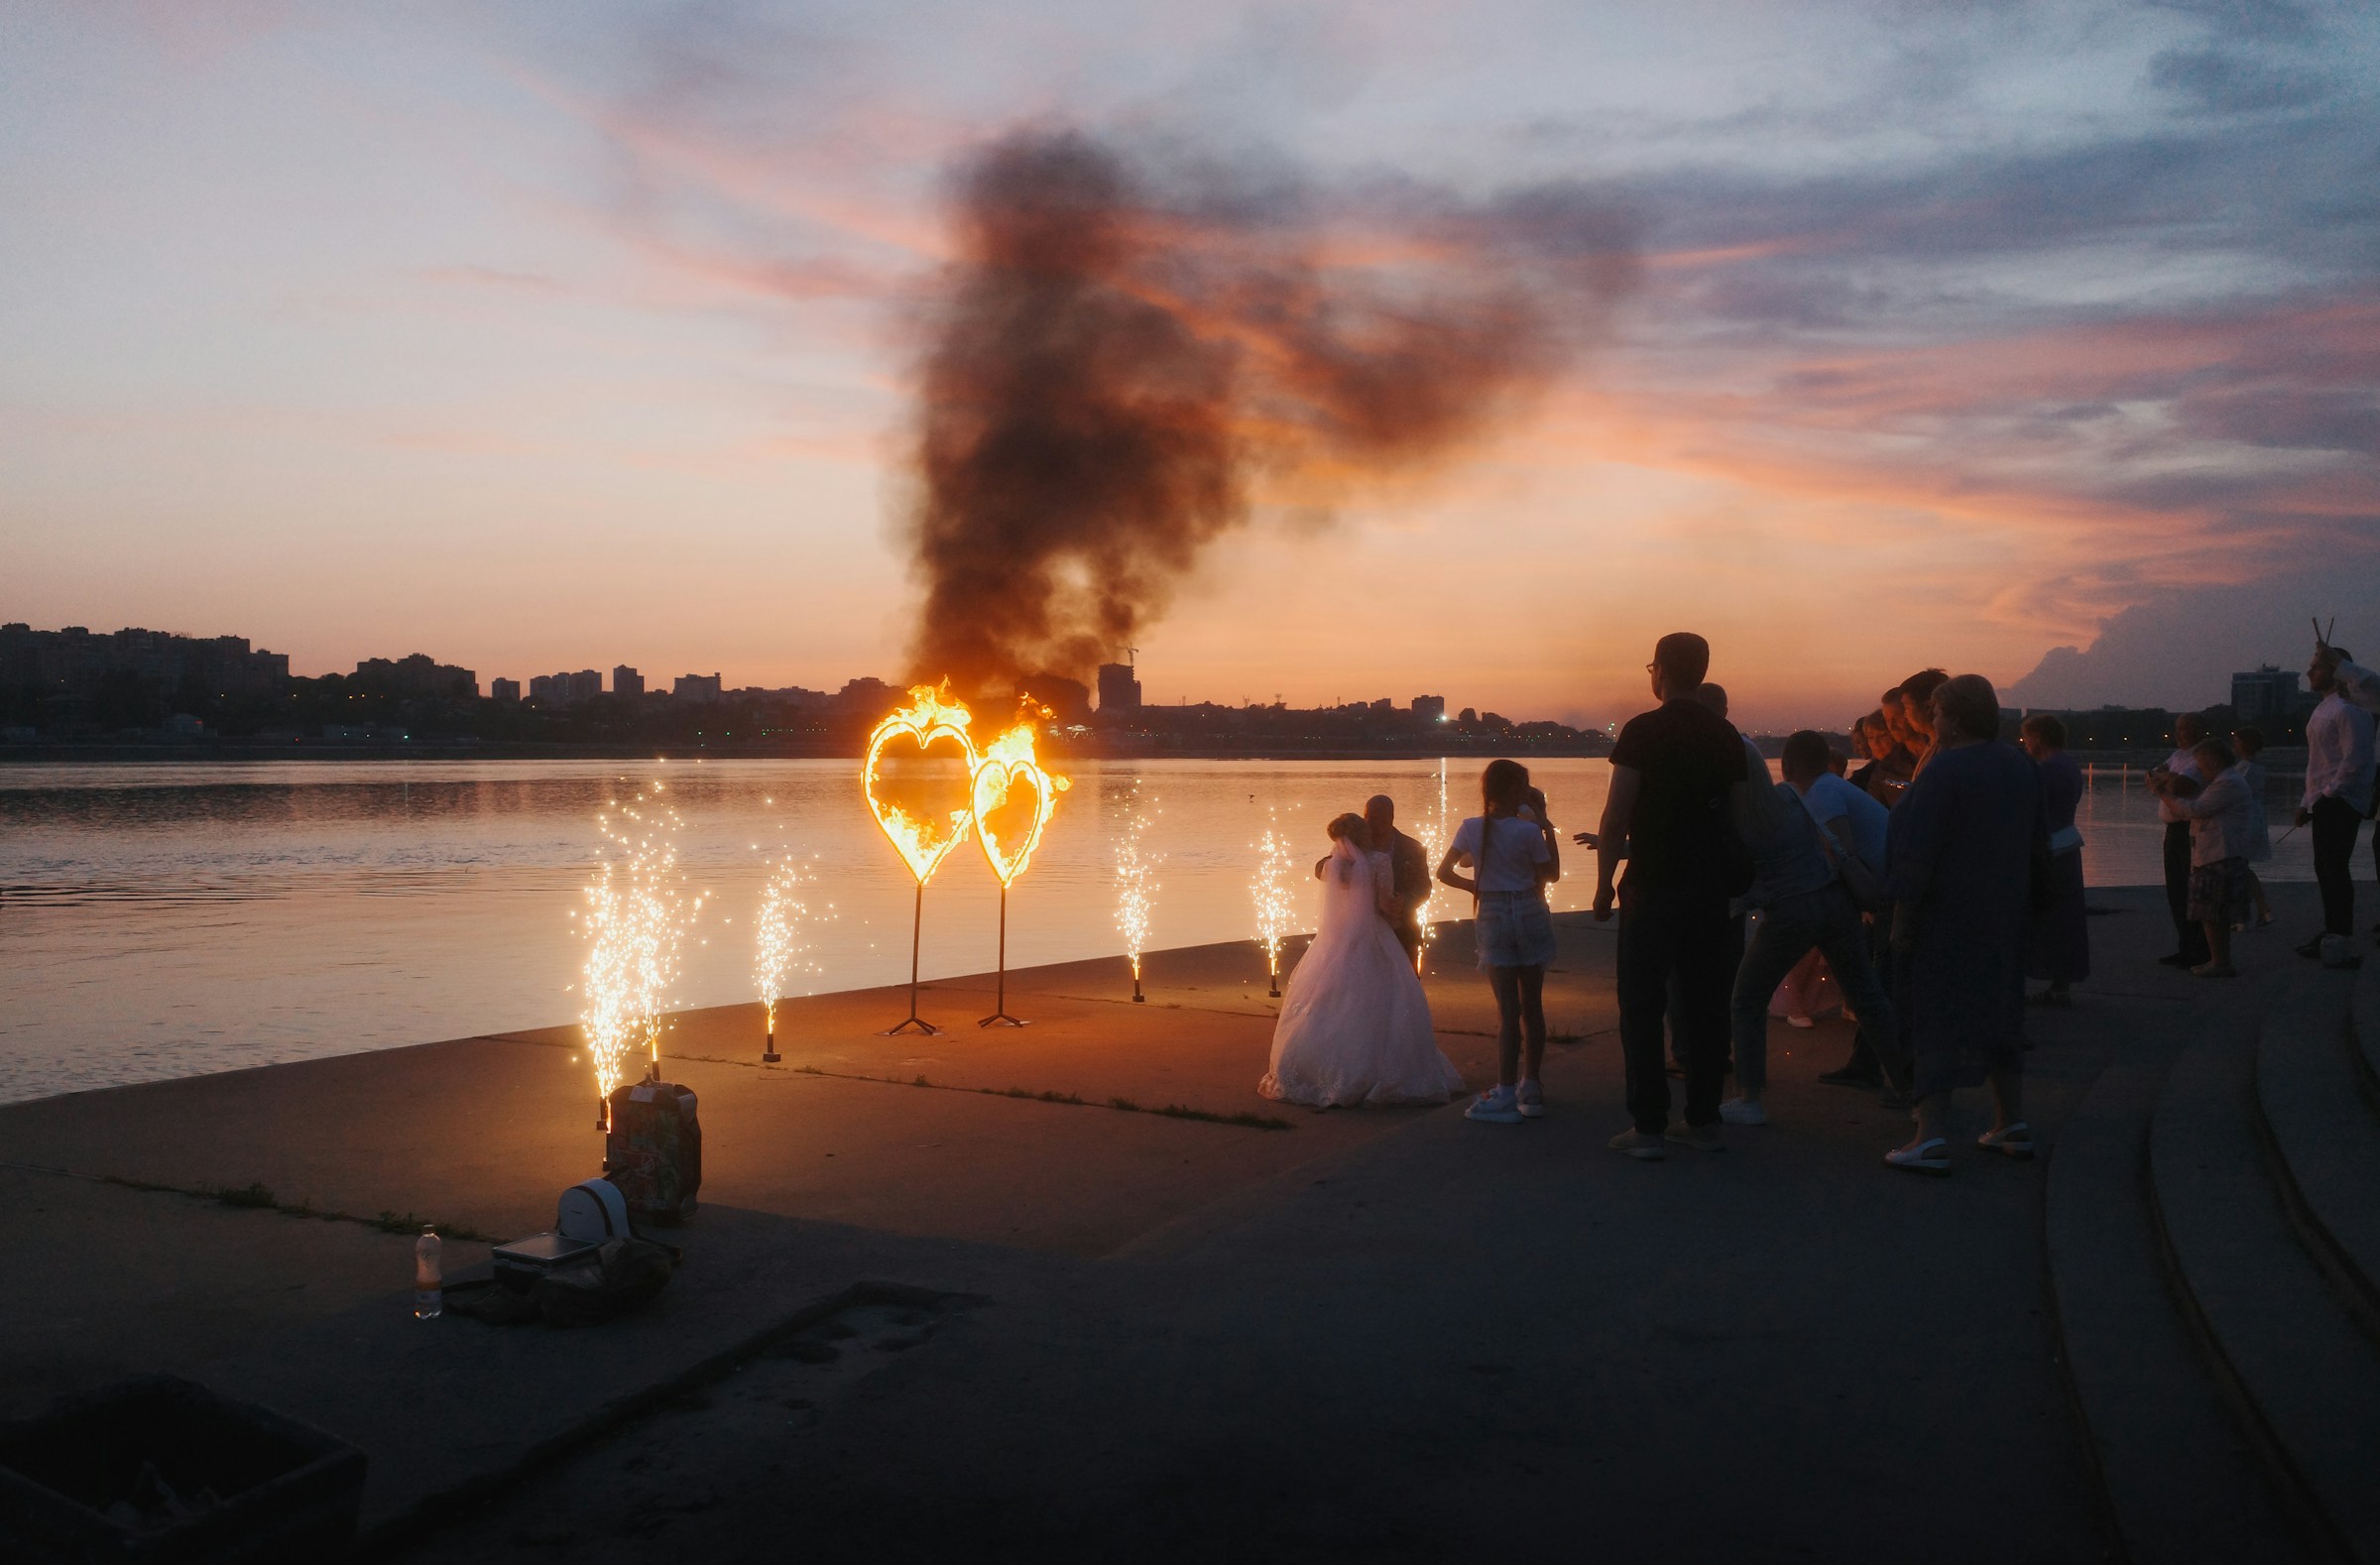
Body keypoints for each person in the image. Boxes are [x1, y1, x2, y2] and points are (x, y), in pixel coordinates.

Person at [1593, 633, 1749, 1160]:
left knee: (1641, 1005)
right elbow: (1738, 816)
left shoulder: (1643, 730)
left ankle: (1649, 1127)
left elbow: (1616, 818)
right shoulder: (1724, 735)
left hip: (1653, 886)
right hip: (1710, 890)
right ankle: (1703, 1118)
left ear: (1660, 670)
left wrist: (1601, 883)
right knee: (1707, 1005)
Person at [1884, 674, 2043, 1176]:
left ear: (1952, 717)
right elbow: (2040, 843)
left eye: (1934, 713)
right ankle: (2009, 1121)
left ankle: (1929, 1135)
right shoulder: (2018, 764)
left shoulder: (1947, 769)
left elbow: (1918, 851)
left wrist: (1902, 918)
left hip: (1947, 913)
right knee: (1999, 1008)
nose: (1930, 721)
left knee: (1935, 1012)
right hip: (2004, 910)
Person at [1722, 738, 1898, 1127]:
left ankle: (1749, 1098)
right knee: (1867, 995)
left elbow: (1714, 866)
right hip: (1836, 901)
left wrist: (1625, 847)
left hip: (1792, 911)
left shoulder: (1739, 820)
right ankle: (1912, 1085)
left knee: (1747, 997)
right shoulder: (1787, 797)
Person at [1262, 814, 1465, 1108]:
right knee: (1384, 1000)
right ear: (1363, 833)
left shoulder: (1332, 864)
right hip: (1373, 934)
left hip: (1335, 939)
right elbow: (1384, 903)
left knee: (1326, 1001)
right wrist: (1396, 912)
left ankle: (1317, 1067)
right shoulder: (1379, 861)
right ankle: (1375, 1070)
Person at [1437, 760, 1561, 1123]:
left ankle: (1505, 1091)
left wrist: (1477, 886)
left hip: (1492, 913)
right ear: (1512, 791)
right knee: (1532, 1006)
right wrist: (1544, 825)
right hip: (1527, 908)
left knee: (1508, 1011)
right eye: (1523, 785)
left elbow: (1444, 872)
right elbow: (1550, 874)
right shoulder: (1527, 831)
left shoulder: (1471, 827)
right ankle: (1531, 1085)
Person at [2298, 644, 2377, 959]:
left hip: (2341, 799)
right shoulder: (2323, 708)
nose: (2309, 672)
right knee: (2325, 867)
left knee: (2335, 868)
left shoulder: (2351, 709)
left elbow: (2355, 760)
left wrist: (2330, 794)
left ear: (2334, 669)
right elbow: (2318, 763)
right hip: (2325, 799)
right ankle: (2332, 929)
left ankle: (2340, 934)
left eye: (2316, 666)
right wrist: (2307, 801)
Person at [2155, 738, 2255, 978]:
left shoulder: (2228, 783)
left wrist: (2162, 793)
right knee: (2211, 912)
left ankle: (2220, 961)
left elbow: (2195, 810)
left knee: (2212, 911)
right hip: (2213, 852)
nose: (2198, 769)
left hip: (2220, 853)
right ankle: (2217, 960)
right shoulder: (2221, 781)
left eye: (2200, 763)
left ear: (2213, 760)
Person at [2020, 714, 2089, 1005]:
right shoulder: (2069, 766)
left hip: (2050, 851)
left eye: (2027, 738)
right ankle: (2060, 985)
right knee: (2065, 918)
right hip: (2067, 847)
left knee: (2048, 917)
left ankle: (2053, 983)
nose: (2024, 744)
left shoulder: (2047, 770)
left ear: (2039, 737)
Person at [1314, 793, 1432, 963]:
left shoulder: (1413, 848)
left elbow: (1424, 887)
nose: (1374, 824)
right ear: (1365, 817)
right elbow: (1320, 868)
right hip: (1357, 933)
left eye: (1380, 818)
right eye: (1370, 818)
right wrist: (1346, 874)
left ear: (1391, 817)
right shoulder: (1354, 845)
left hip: (1402, 932)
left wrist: (1405, 901)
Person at [2154, 714, 2211, 969]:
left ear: (2199, 730)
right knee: (2176, 891)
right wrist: (2167, 779)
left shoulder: (2202, 756)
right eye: (2177, 729)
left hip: (2191, 829)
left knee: (2192, 892)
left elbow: (2183, 786)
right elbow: (2153, 776)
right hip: (2172, 830)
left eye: (2185, 729)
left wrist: (2166, 780)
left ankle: (2200, 949)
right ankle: (2185, 946)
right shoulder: (2177, 756)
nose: (2179, 735)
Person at [2230, 727, 2275, 930]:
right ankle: (2261, 910)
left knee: (2237, 867)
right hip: (2253, 818)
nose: (2234, 744)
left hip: (2243, 820)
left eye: (2237, 741)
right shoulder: (2255, 767)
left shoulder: (2245, 768)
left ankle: (2243, 915)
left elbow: (2233, 792)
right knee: (2241, 867)